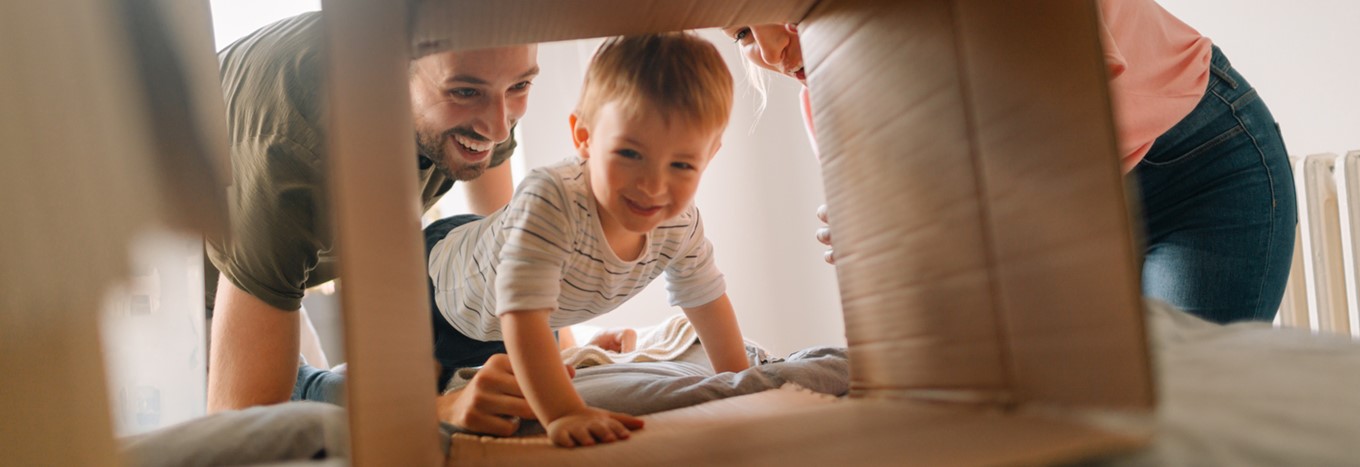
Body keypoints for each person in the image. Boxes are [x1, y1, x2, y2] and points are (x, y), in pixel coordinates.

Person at [722, 0, 1295, 324]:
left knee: (1185, 410)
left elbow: (1068, 105)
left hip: (1196, 165)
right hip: (1068, 214)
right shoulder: (833, 105)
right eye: (744, 32)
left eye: (788, 10)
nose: (772, 51)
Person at [207, 10, 539, 435]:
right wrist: (436, 412)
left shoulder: (485, 80)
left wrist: (562, 349)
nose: (497, 127)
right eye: (464, 91)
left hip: (268, 275)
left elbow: (510, 253)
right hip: (176, 297)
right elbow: (240, 431)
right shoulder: (295, 149)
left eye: (521, 85)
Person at [424, 32, 748, 448]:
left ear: (711, 154)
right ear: (584, 136)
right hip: (435, 290)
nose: (653, 185)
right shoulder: (552, 200)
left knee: (514, 363)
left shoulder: (679, 223)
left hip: (508, 313)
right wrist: (565, 412)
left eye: (682, 164)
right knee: (400, 399)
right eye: (630, 154)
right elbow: (522, 317)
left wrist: (742, 382)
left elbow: (706, 299)